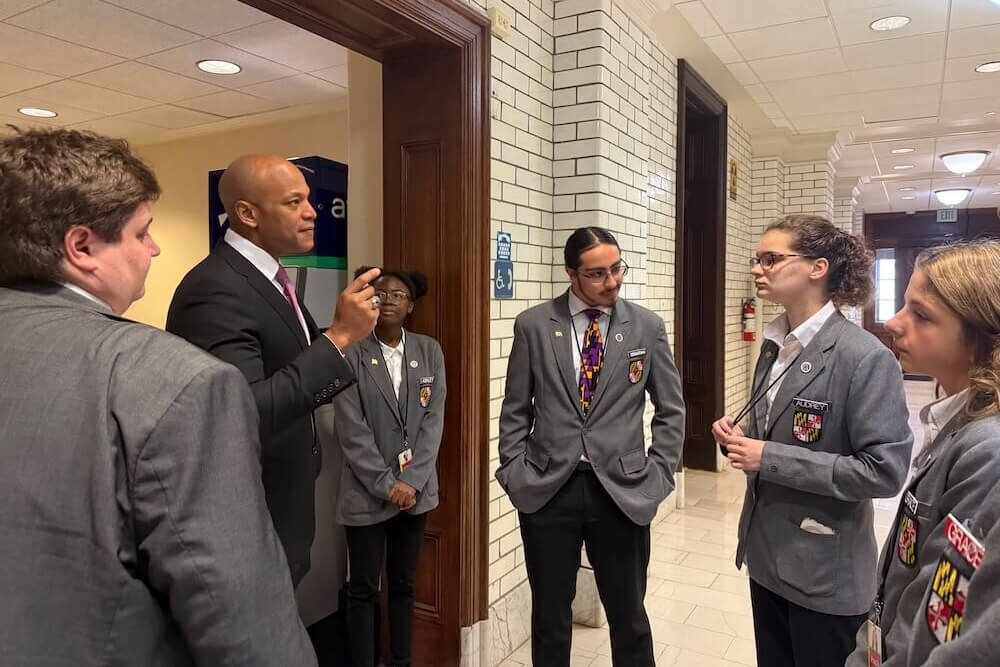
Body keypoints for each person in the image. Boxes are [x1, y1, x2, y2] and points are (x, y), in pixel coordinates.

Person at [0, 127, 316, 665]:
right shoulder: (178, 381)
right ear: (82, 247)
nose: (155, 248)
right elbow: (243, 628)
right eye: (142, 232)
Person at [166, 154, 380, 587]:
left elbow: (293, 369)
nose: (312, 212)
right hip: (247, 520)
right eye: (293, 202)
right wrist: (339, 337)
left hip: (284, 504)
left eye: (309, 200)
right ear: (247, 214)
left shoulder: (271, 279)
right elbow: (244, 411)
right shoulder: (216, 287)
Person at [712, 214, 913, 667]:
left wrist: (769, 456)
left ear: (817, 268)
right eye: (757, 259)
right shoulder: (774, 343)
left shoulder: (864, 357)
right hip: (767, 557)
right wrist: (741, 437)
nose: (757, 269)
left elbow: (883, 472)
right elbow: (777, 433)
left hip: (824, 574)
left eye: (771, 259)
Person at [496, 226, 685, 667]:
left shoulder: (646, 327)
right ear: (571, 273)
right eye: (597, 273)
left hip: (622, 490)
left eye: (617, 268)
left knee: (629, 617)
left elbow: (671, 409)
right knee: (550, 618)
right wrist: (515, 473)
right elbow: (516, 408)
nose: (612, 281)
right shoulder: (534, 326)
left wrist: (658, 476)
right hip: (548, 490)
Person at [844, 240, 1000, 666]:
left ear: (983, 339)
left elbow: (941, 621)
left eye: (921, 315)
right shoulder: (959, 419)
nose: (893, 322)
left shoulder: (987, 451)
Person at [333, 267, 445, 667]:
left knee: (403, 584)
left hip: (414, 494)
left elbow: (433, 422)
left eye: (399, 295)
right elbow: (351, 429)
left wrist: (410, 481)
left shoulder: (429, 351)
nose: (389, 301)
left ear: (410, 306)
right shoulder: (351, 353)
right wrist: (386, 484)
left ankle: (401, 661)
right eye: (381, 294)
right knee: (363, 588)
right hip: (366, 493)